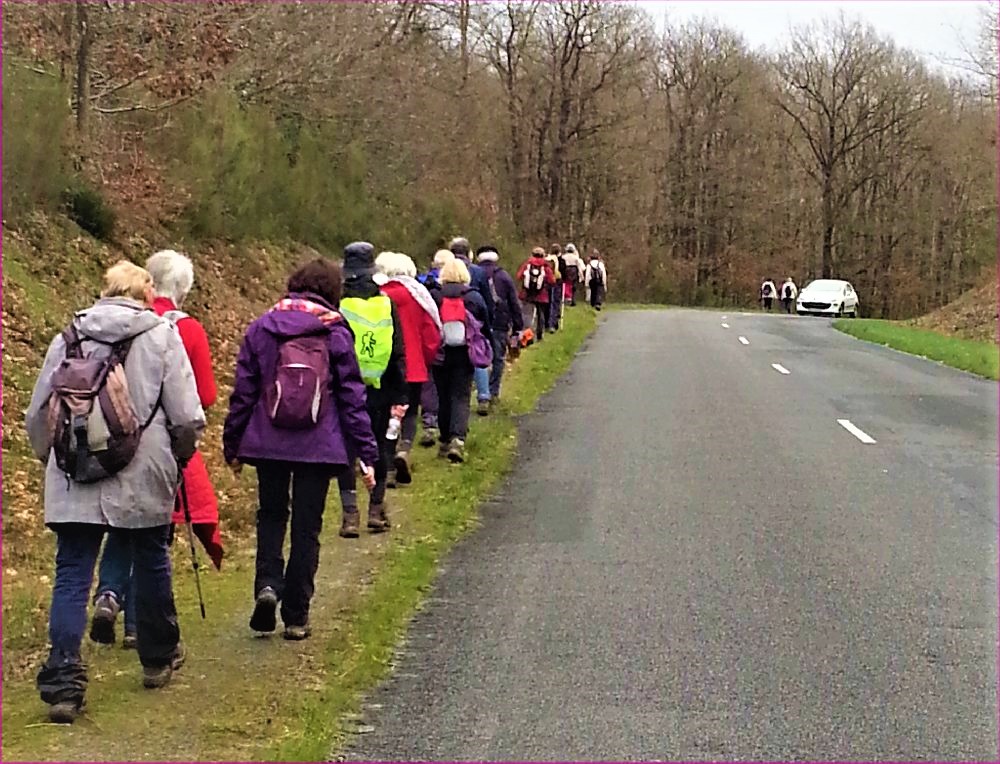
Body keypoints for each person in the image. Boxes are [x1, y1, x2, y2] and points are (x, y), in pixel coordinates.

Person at [26, 261, 205, 723]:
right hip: (143, 472)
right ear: (146, 293)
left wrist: (54, 459)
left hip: (75, 472)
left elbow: (38, 413)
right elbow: (186, 415)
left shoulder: (69, 336)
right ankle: (157, 658)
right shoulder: (162, 335)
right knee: (149, 559)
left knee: (72, 572)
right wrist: (179, 457)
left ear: (104, 291)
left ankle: (64, 683)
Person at [223, 258, 378, 641]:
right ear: (332, 292)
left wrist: (233, 443)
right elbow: (351, 399)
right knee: (307, 527)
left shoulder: (262, 327)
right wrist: (367, 454)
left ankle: (267, 586)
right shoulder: (335, 332)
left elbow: (243, 392)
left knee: (271, 515)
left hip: (268, 440)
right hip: (319, 445)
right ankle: (296, 616)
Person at [89, 250, 224, 652]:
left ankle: (110, 594)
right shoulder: (186, 330)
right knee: (153, 536)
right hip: (157, 445)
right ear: (183, 287)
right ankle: (138, 626)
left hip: (106, 439)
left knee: (119, 527)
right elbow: (204, 397)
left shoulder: (103, 324)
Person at [335, 243, 408, 535]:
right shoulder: (386, 303)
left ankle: (350, 514)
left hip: (345, 388)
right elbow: (398, 350)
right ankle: (376, 508)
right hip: (382, 386)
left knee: (346, 450)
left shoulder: (338, 304)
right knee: (381, 446)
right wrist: (401, 393)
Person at [375, 251, 442, 486]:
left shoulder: (379, 296)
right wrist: (427, 359)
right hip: (413, 365)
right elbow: (431, 333)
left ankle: (389, 466)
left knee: (386, 415)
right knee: (411, 411)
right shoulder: (419, 296)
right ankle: (404, 448)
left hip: (385, 365)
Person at [431, 258, 492, 463]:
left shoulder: (435, 295)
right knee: (461, 395)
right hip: (465, 352)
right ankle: (458, 439)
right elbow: (486, 322)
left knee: (443, 395)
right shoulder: (473, 297)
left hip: (440, 352)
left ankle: (445, 439)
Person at [449, 237, 495, 408]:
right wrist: (489, 318)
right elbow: (487, 297)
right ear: (469, 252)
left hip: (450, 315)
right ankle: (483, 395)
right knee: (477, 352)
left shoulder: (445, 269)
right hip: (474, 314)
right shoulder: (478, 272)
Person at [476, 245, 524, 403]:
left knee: (478, 357)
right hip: (500, 322)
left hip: (477, 323)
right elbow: (514, 302)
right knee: (498, 358)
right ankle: (493, 391)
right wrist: (518, 326)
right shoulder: (503, 276)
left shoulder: (472, 273)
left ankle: (481, 392)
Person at [416, 250, 453, 446]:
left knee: (427, 383)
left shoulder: (421, 284)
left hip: (422, 340)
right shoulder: (446, 288)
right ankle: (439, 423)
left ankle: (429, 422)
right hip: (443, 339)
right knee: (443, 384)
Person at [516, 247, 557, 340]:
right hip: (541, 294)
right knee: (540, 314)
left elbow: (519, 276)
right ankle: (539, 335)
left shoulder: (527, 264)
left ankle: (526, 336)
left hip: (527, 294)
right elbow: (552, 281)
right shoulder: (546, 266)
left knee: (527, 314)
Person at [545, 244, 565, 331]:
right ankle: (553, 323)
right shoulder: (560, 260)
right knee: (555, 302)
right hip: (556, 282)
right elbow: (563, 272)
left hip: (546, 283)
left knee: (547, 302)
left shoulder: (546, 259)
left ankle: (546, 323)